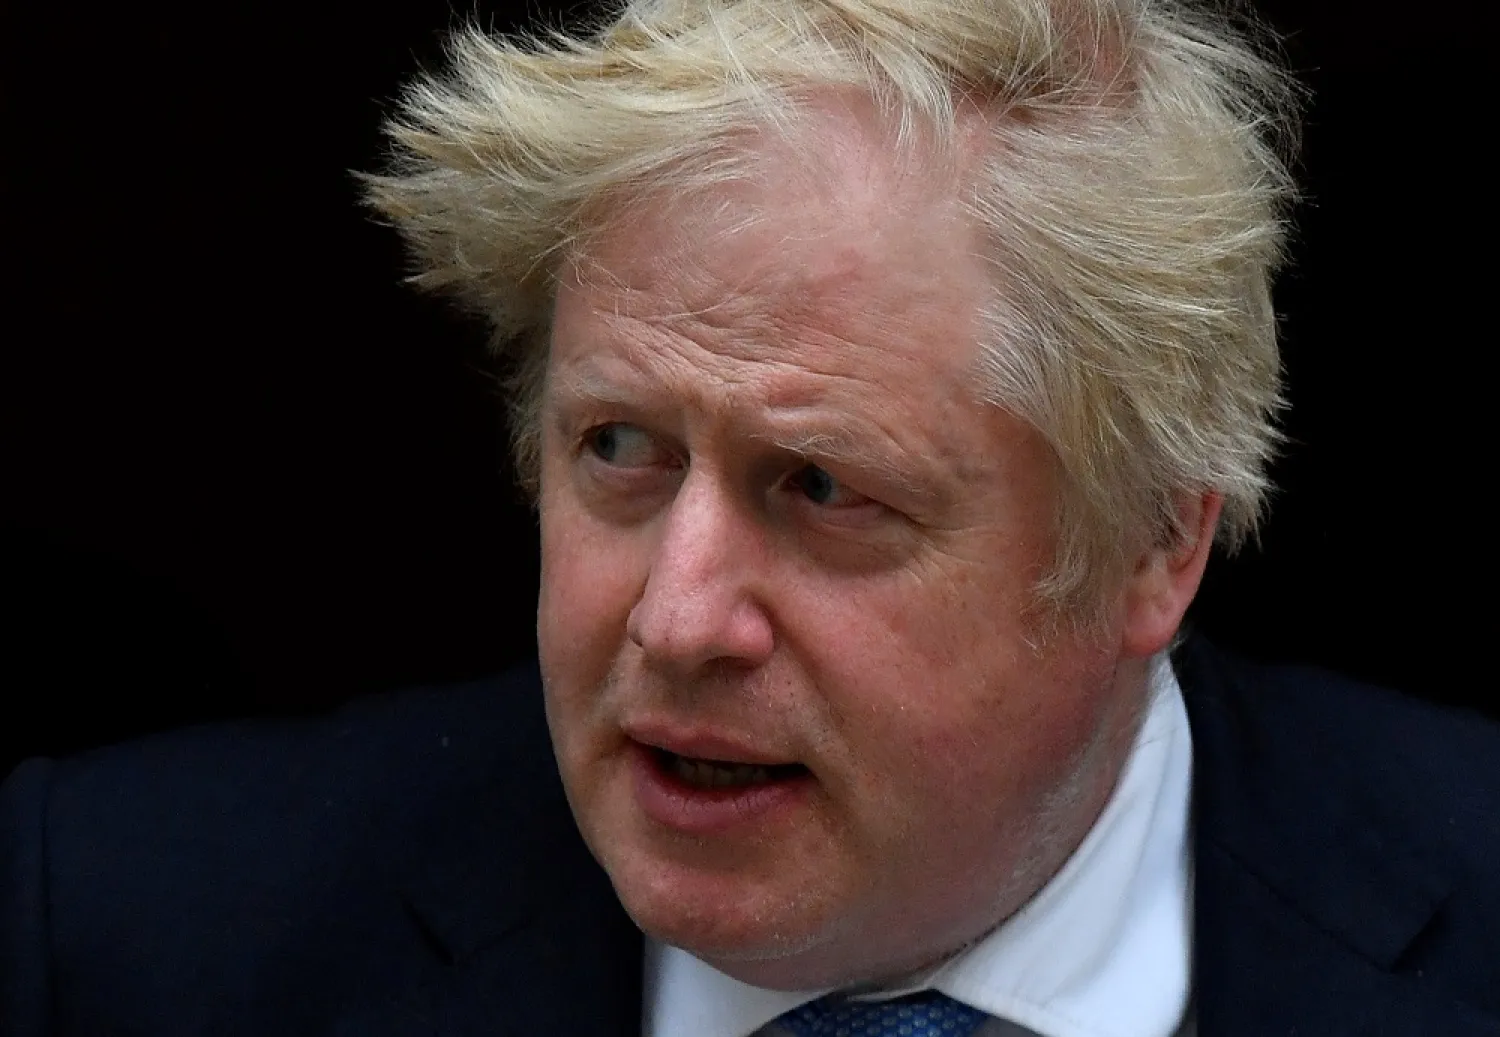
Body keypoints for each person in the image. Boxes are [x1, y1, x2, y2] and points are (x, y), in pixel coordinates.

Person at [3, 0, 1497, 1034]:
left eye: (826, 487)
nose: (673, 617)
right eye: (621, 450)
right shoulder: (127, 932)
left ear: (1156, 542)